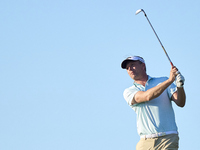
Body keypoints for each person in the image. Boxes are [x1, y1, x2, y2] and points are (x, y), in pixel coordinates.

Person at [121, 56, 186, 150]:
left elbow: (180, 102)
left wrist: (180, 86)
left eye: (132, 65)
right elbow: (147, 96)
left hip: (168, 139)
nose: (130, 69)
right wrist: (169, 81)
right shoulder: (129, 91)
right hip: (145, 142)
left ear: (143, 66)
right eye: (127, 68)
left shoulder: (162, 81)